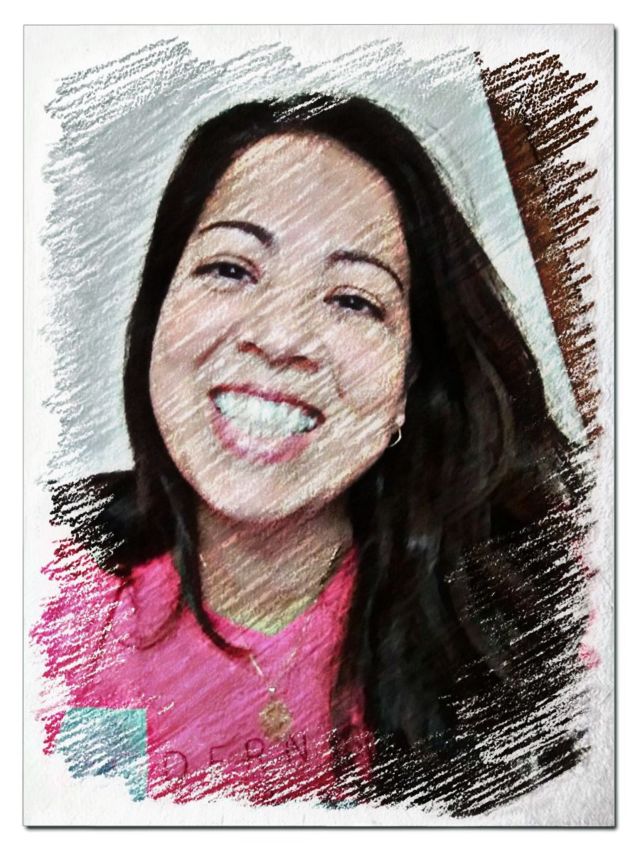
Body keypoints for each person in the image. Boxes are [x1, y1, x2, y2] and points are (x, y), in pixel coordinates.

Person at [34, 93, 590, 814]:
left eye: (354, 300)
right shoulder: (44, 579)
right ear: (158, 313)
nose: (279, 338)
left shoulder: (546, 609)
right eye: (231, 269)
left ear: (407, 385)